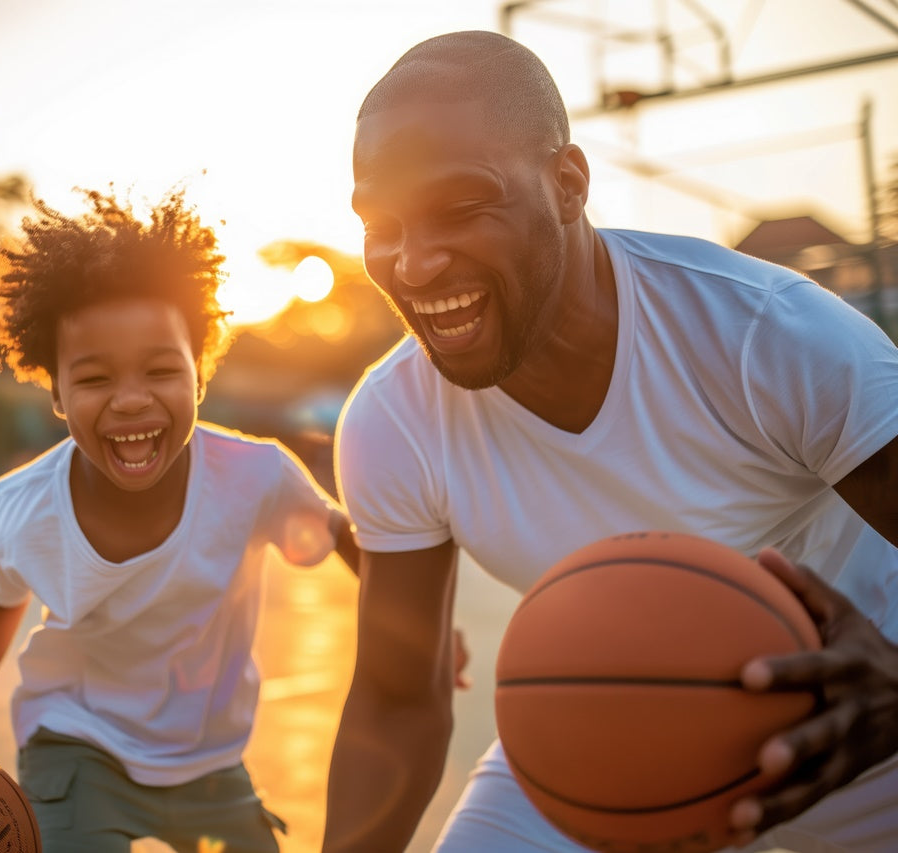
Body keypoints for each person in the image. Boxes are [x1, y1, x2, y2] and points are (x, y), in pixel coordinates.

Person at [323, 30, 898, 853]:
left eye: (461, 207)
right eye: (382, 224)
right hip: (616, 729)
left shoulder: (766, 335)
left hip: (866, 733)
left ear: (567, 184)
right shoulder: (392, 423)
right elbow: (398, 698)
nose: (412, 264)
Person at [0, 187, 366, 853]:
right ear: (57, 392)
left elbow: (340, 536)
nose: (130, 400)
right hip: (75, 746)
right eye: (95, 379)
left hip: (210, 762)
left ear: (200, 374)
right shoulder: (22, 508)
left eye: (160, 370)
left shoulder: (254, 476)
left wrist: (416, 635)